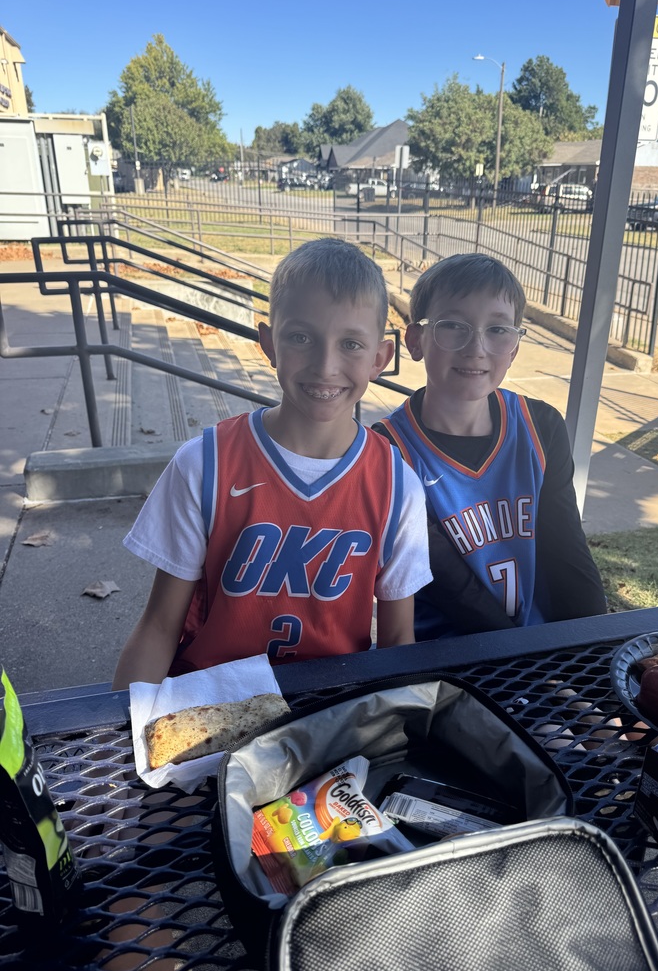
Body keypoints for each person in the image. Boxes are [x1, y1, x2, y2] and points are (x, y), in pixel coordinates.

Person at [112, 239, 432, 690]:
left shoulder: (398, 486)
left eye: (351, 344)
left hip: (329, 711)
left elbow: (399, 637)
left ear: (380, 358)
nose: (326, 365)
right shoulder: (205, 465)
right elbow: (160, 626)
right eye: (301, 338)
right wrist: (124, 741)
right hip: (208, 704)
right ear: (268, 343)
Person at [373, 253, 606, 641]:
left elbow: (568, 557)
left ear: (514, 348)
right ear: (415, 340)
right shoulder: (386, 452)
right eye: (452, 326)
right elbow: (455, 590)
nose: (475, 348)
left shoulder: (541, 426)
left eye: (498, 330)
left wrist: (596, 653)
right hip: (450, 659)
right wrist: (532, 668)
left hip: (543, 648)